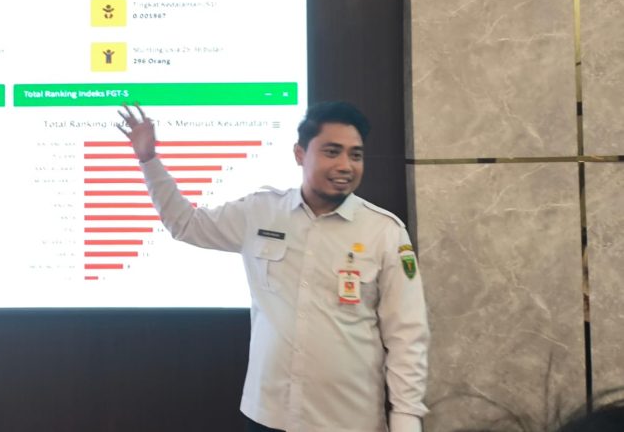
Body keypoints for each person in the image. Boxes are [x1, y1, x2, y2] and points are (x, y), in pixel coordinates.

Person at [117, 101, 429, 432]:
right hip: (268, 416)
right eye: (332, 152)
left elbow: (407, 333)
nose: (345, 165)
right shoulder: (260, 212)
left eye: (356, 155)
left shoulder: (384, 231)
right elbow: (185, 223)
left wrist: (406, 419)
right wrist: (148, 160)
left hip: (348, 420)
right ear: (299, 154)